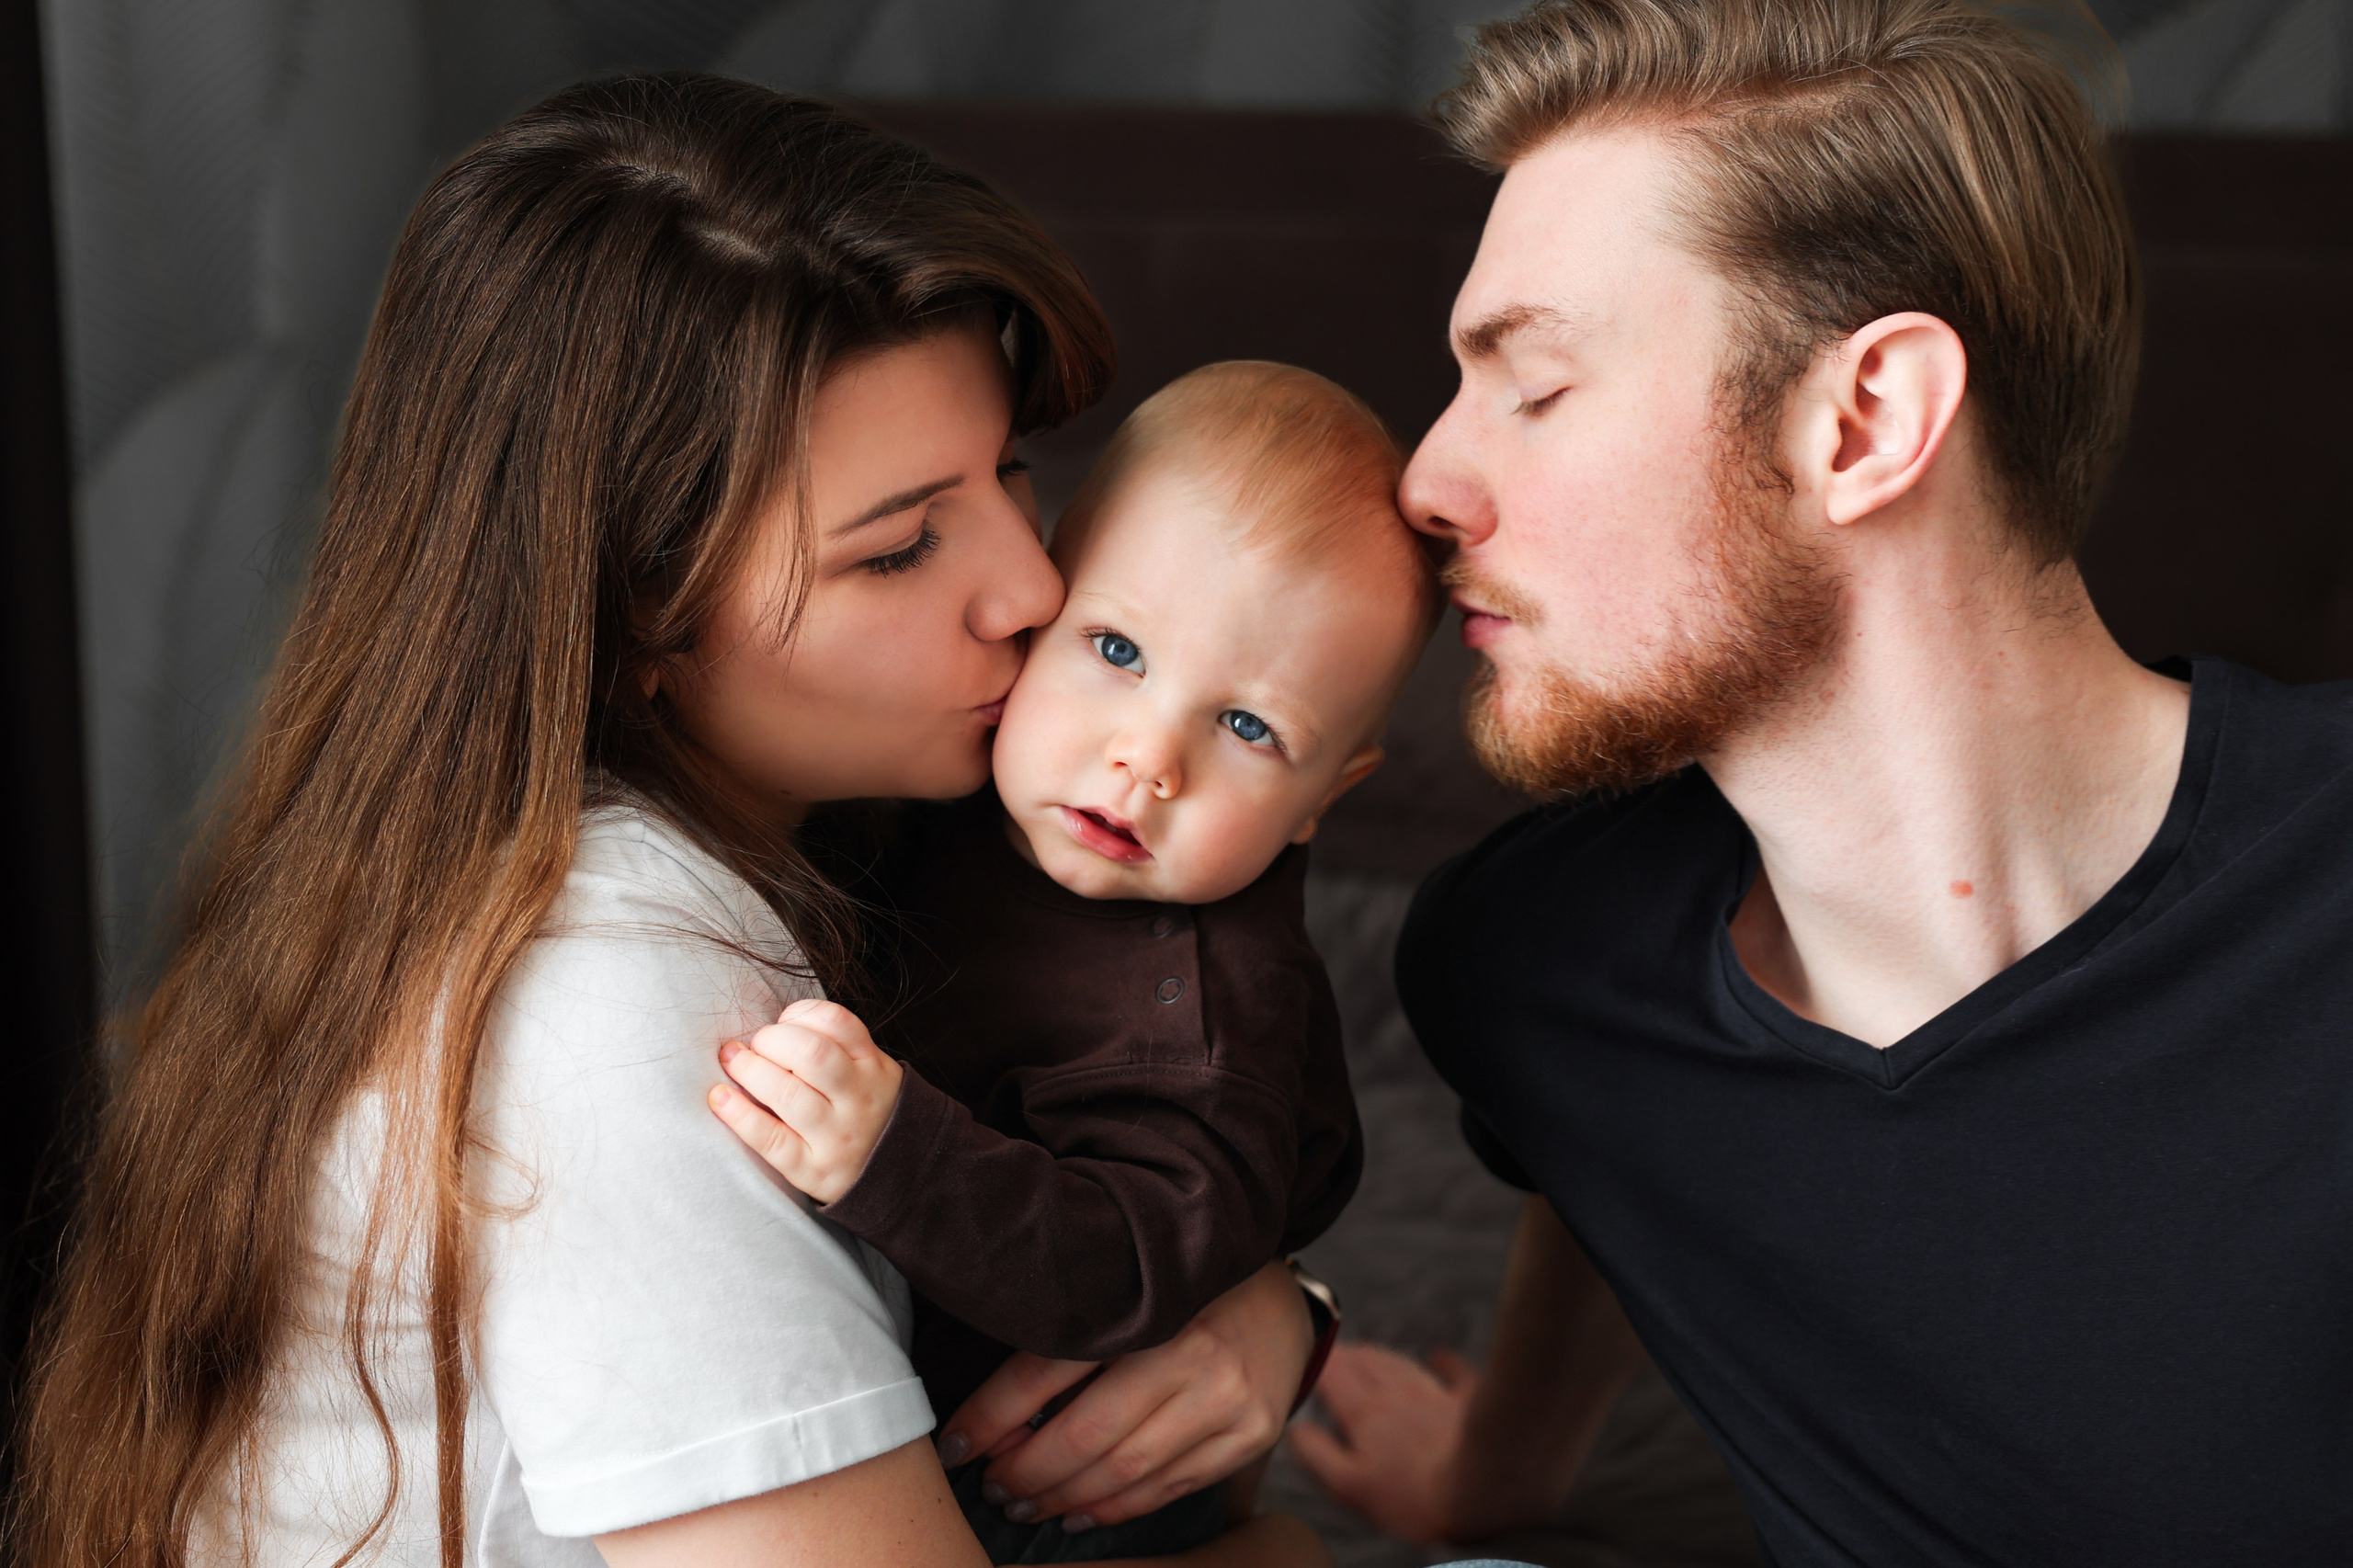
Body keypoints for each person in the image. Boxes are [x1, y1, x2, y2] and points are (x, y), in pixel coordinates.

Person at [15, 75, 1326, 1568]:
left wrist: (1265, 1303)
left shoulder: (802, 848)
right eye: (901, 549)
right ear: (639, 613)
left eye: (1011, 475)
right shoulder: (613, 998)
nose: (1032, 588)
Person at [1290, 1, 2353, 1564]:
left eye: (1537, 386)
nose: (1429, 481)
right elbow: (1617, 1153)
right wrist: (1493, 1474)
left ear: (1864, 422)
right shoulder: (1529, 967)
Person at [709, 362, 1435, 1561]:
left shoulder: (1203, 1019)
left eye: (1249, 726)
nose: (1148, 758)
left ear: (1324, 797)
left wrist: (899, 1157)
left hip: (1046, 1494)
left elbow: (1134, 1266)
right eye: (1117, 648)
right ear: (1040, 608)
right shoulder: (947, 793)